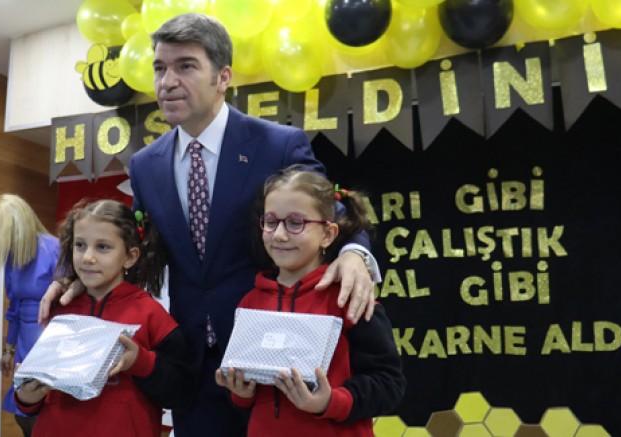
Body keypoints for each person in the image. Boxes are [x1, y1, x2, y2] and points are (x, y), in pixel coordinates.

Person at [40, 13, 381, 436]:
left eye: (185, 66)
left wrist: (354, 253)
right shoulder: (146, 165)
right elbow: (135, 243)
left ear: (223, 77)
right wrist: (72, 276)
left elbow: (331, 207)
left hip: (271, 364)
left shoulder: (277, 144)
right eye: (160, 68)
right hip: (193, 368)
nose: (167, 82)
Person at [215, 166, 405, 436]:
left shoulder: (349, 297)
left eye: (296, 223)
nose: (279, 234)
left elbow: (389, 384)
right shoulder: (250, 303)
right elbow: (249, 395)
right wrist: (241, 393)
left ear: (328, 234)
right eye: (271, 221)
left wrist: (331, 402)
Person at [16, 200, 193, 436]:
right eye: (80, 245)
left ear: (130, 257)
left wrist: (140, 361)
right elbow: (37, 394)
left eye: (103, 247)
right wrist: (26, 398)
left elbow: (181, 393)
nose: (88, 257)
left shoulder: (151, 314)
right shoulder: (59, 310)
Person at [0, 194, 60, 437]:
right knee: (24, 415)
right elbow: (14, 310)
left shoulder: (53, 248)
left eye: (0, 230)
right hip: (25, 347)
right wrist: (8, 350)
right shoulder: (12, 258)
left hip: (51, 342)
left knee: (48, 416)